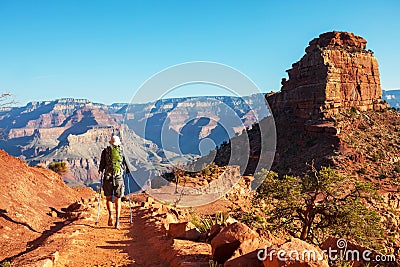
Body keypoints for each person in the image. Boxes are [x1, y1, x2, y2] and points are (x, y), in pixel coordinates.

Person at [98, 135, 130, 229]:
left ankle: (110, 215)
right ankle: (117, 222)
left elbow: (102, 165)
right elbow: (126, 164)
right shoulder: (121, 151)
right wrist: (127, 171)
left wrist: (101, 170)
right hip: (118, 178)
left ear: (110, 142)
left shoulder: (105, 151)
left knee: (108, 198)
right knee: (118, 199)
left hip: (108, 178)